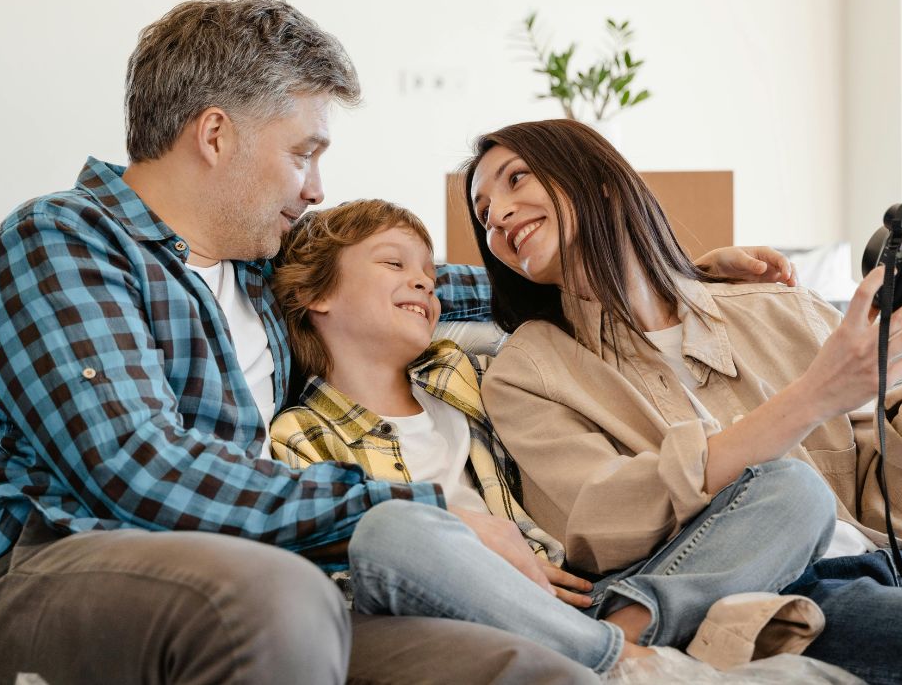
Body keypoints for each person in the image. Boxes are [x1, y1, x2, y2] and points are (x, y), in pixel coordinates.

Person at [0, 0, 799, 683]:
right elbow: (140, 470)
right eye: (304, 151)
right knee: (275, 592)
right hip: (30, 577)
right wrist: (417, 505)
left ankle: (623, 656)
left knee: (515, 666)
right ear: (215, 133)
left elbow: (434, 287)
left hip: (266, 581)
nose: (315, 186)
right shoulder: (64, 242)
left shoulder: (265, 274)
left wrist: (662, 263)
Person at [465, 118, 902, 684]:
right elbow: (596, 522)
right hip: (786, 596)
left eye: (514, 178)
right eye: (482, 212)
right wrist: (811, 396)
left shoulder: (775, 305)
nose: (496, 215)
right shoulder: (528, 368)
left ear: (597, 174)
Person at [266, 199, 837, 680]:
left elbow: (529, 289)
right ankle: (627, 659)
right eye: (394, 263)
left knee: (794, 488)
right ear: (315, 294)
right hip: (461, 604)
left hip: (584, 592)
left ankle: (625, 638)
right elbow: (342, 572)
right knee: (390, 530)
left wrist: (679, 271)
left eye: (430, 276)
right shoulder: (299, 433)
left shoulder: (473, 375)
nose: (422, 281)